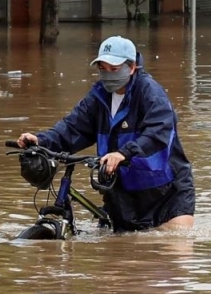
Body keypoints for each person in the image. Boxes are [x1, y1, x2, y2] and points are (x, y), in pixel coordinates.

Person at [17, 35, 195, 233]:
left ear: (132, 67)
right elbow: (72, 127)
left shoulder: (150, 93)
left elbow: (158, 133)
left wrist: (123, 153)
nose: (108, 75)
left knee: (173, 249)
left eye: (114, 69)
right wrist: (42, 140)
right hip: (121, 193)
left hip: (166, 194)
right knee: (116, 260)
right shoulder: (98, 96)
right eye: (102, 68)